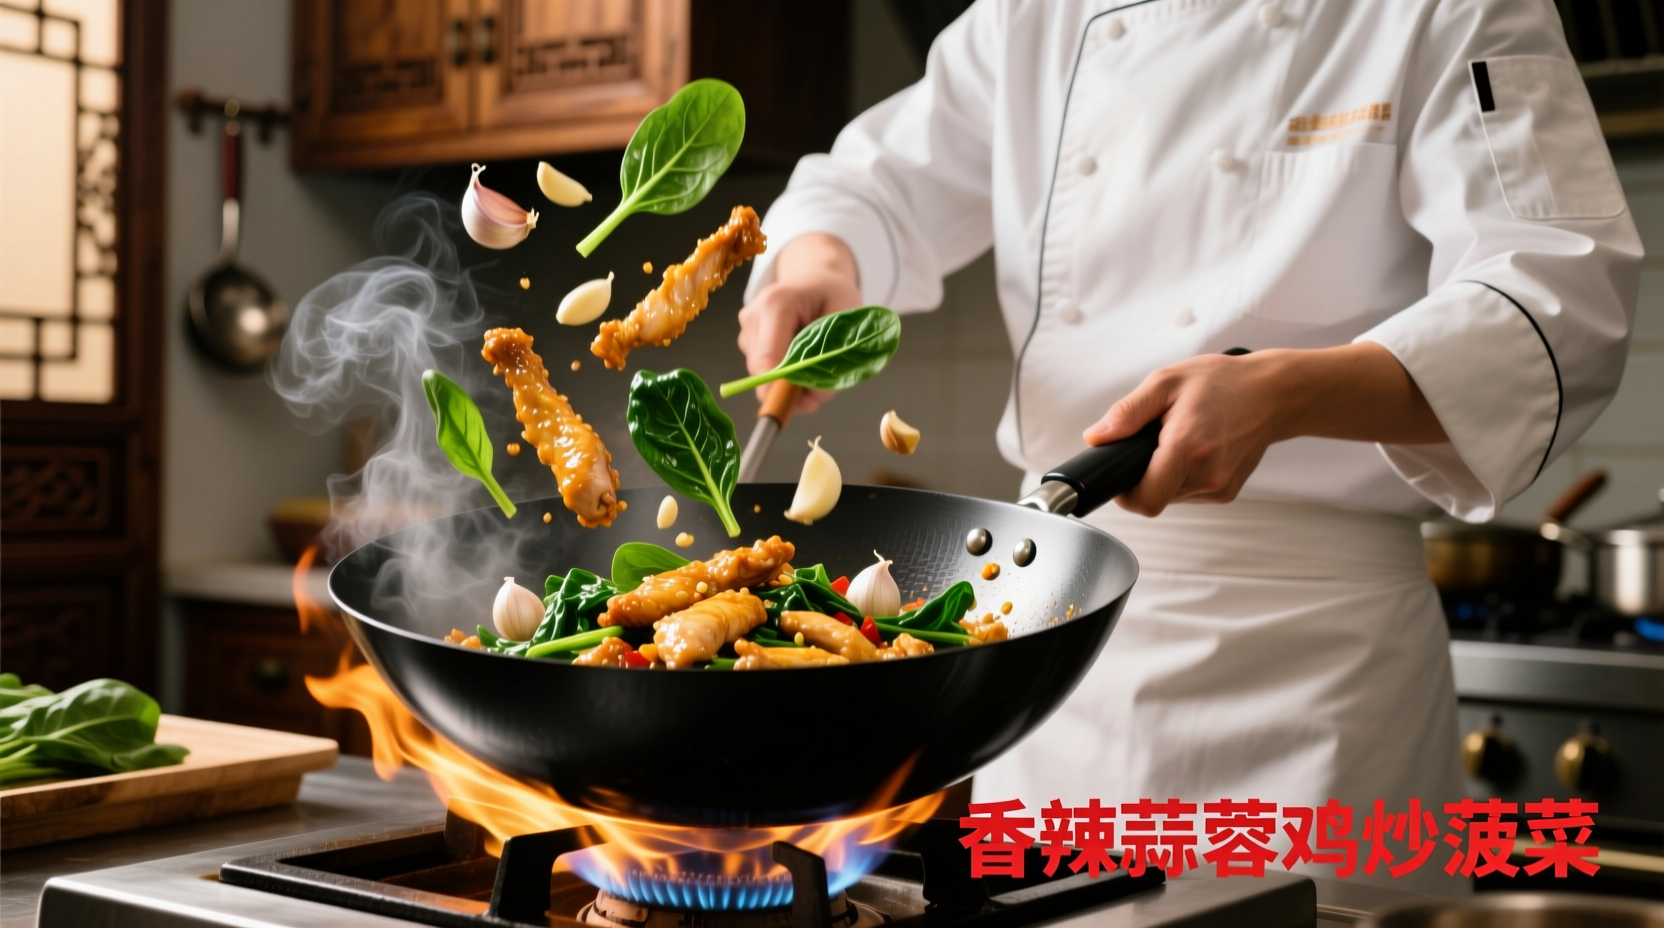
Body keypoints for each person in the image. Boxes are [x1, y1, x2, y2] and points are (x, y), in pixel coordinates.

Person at [736, 0, 1638, 892]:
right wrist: (823, 262)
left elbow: (1562, 292)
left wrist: (1289, 393)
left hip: (1315, 669)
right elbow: (868, 184)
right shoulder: (1033, 17)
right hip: (1051, 661)